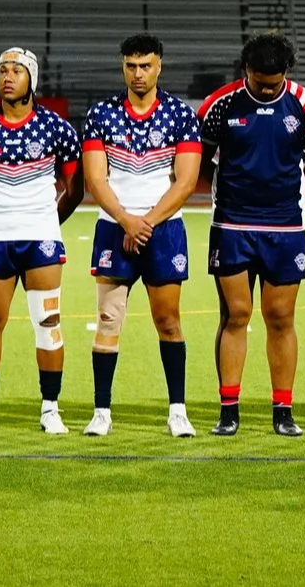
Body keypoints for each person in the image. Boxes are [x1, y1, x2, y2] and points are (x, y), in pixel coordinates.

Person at [197, 31, 305, 436]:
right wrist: (233, 189)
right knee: (236, 315)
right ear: (246, 71)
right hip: (232, 224)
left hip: (285, 226)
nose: (267, 88)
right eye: (260, 82)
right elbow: (201, 161)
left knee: (280, 317)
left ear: (286, 74)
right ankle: (229, 410)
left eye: (274, 83)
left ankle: (283, 411)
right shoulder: (221, 104)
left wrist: (283, 189)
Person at [79, 34, 202, 437]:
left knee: (168, 320)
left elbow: (186, 182)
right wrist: (126, 220)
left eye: (145, 65)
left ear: (159, 66)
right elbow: (95, 179)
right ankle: (101, 412)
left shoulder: (180, 116)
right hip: (115, 226)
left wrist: (144, 222)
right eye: (131, 66)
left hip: (163, 228)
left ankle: (177, 410)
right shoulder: (101, 114)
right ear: (122, 67)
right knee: (108, 319)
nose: (138, 73)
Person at [0, 48, 85, 434]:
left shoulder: (56, 128)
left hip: (41, 242)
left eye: (17, 70)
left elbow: (74, 188)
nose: (7, 77)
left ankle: (50, 409)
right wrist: (0, 220)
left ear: (33, 80)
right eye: (2, 70)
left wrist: (46, 222)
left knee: (48, 323)